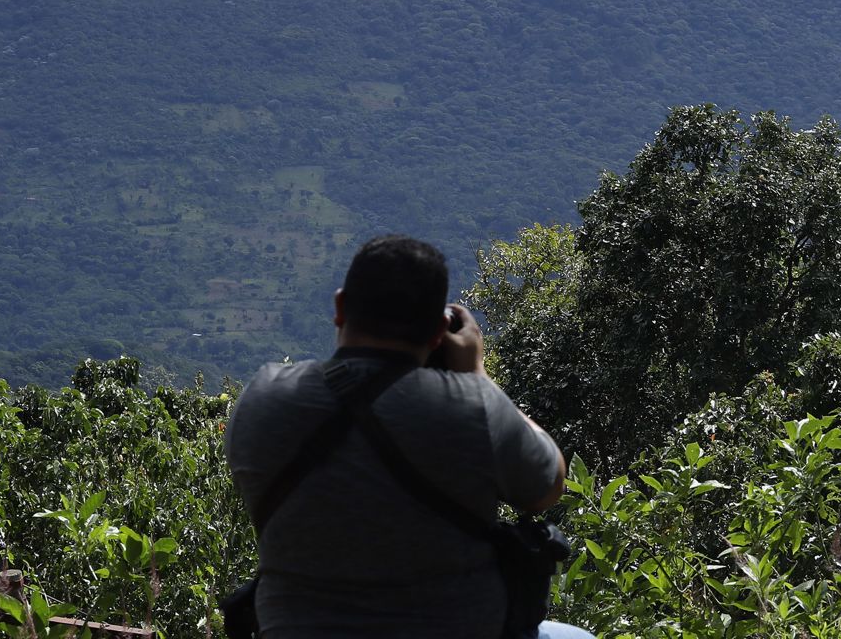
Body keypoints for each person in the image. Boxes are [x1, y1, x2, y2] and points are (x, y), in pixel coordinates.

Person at [223, 234, 594, 639]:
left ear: (340, 307)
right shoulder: (472, 405)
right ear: (438, 331)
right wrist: (477, 375)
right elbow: (547, 486)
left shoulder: (263, 396)